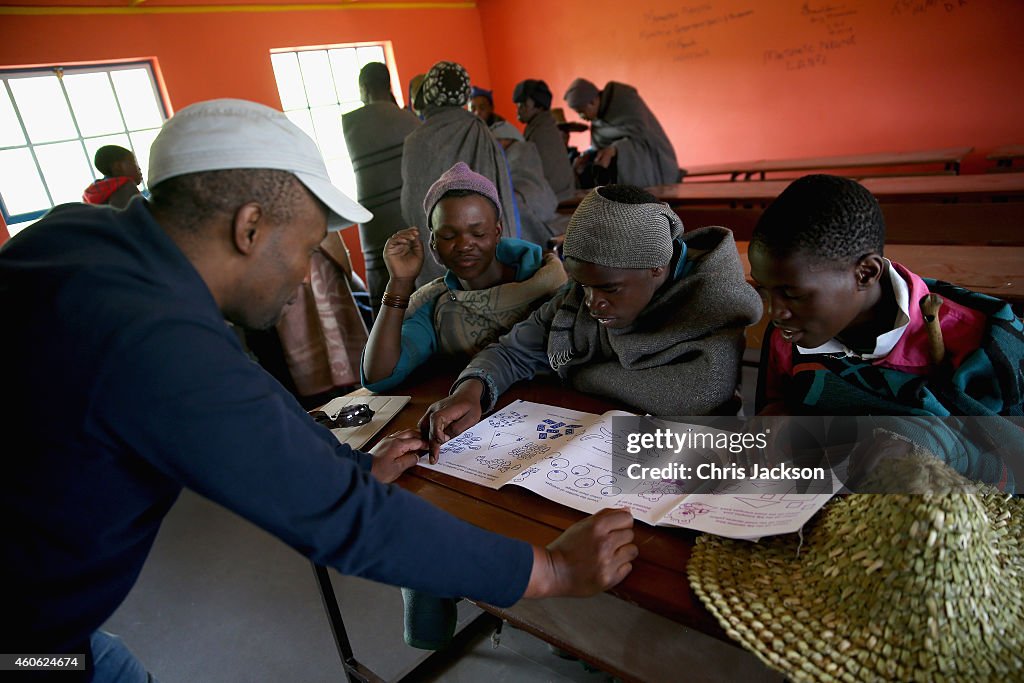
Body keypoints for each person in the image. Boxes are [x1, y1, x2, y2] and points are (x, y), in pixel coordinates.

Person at [0, 99, 637, 681]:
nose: (307, 273)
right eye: (306, 248)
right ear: (249, 227)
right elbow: (349, 524)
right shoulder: (148, 335)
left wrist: (350, 463)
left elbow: (239, 391)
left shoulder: (80, 240)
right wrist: (548, 571)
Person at [419, 184, 763, 461]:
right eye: (582, 285)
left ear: (657, 267)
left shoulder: (710, 305)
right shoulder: (583, 294)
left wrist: (579, 374)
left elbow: (694, 397)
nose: (591, 303)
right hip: (599, 451)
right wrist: (471, 391)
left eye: (608, 289)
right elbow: (512, 351)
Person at [750, 174, 1022, 489]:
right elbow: (779, 403)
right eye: (765, 290)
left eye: (792, 294)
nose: (775, 311)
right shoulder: (790, 333)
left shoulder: (981, 342)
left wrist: (931, 446)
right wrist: (777, 418)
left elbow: (1014, 464)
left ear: (865, 273)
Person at [362, 161, 566, 392]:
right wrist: (399, 283)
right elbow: (379, 375)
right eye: (448, 236)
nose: (464, 245)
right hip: (478, 415)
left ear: (497, 231)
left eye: (478, 233)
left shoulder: (551, 283)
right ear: (433, 243)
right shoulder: (436, 306)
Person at [401, 61, 520, 285]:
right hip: (485, 260)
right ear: (465, 95)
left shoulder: (415, 141)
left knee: (441, 305)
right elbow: (500, 197)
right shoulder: (479, 131)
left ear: (428, 95)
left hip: (436, 262)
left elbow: (412, 208)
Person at [342, 61, 422, 312]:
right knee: (417, 286)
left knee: (386, 293)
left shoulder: (353, 124)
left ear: (364, 87)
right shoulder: (409, 121)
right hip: (410, 217)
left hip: (374, 223)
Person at [563, 78, 679, 188]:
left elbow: (642, 136)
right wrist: (587, 156)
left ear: (592, 102)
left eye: (581, 112)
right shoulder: (597, 123)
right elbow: (598, 148)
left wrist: (615, 149)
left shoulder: (624, 100)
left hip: (654, 163)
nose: (580, 117)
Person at [489, 120, 563, 246]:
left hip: (529, 194)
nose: (496, 147)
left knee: (513, 203)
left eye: (499, 142)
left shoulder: (522, 149)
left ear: (508, 140)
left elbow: (526, 178)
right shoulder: (506, 153)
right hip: (536, 197)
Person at [512, 79, 576, 202]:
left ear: (539, 107)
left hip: (556, 199)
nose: (519, 110)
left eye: (523, 105)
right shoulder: (542, 126)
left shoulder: (541, 132)